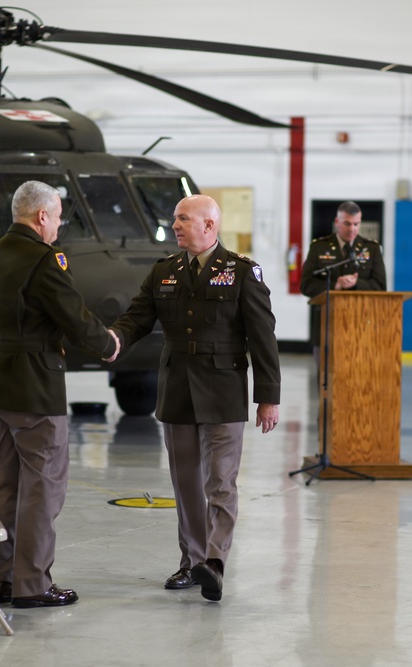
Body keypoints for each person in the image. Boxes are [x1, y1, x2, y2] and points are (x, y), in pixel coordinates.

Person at [109, 194, 281, 602]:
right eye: (175, 219)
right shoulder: (164, 271)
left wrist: (268, 397)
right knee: (185, 483)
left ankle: (215, 563)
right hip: (178, 389)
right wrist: (112, 339)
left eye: (184, 219)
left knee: (220, 482)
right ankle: (191, 561)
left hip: (223, 391)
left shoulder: (240, 272)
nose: (175, 225)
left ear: (209, 226)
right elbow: (137, 317)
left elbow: (263, 337)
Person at [0, 180, 120, 608]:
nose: (58, 229)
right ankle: (32, 584)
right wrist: (109, 344)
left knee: (5, 484)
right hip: (33, 387)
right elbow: (75, 317)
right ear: (42, 216)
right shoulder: (45, 260)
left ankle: (3, 579)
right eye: (57, 219)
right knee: (43, 488)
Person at [299, 201, 387, 360]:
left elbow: (380, 287)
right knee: (325, 381)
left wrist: (356, 284)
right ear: (337, 222)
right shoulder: (319, 247)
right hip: (326, 327)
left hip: (362, 325)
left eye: (356, 224)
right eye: (347, 223)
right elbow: (306, 285)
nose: (352, 229)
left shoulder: (371, 249)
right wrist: (335, 286)